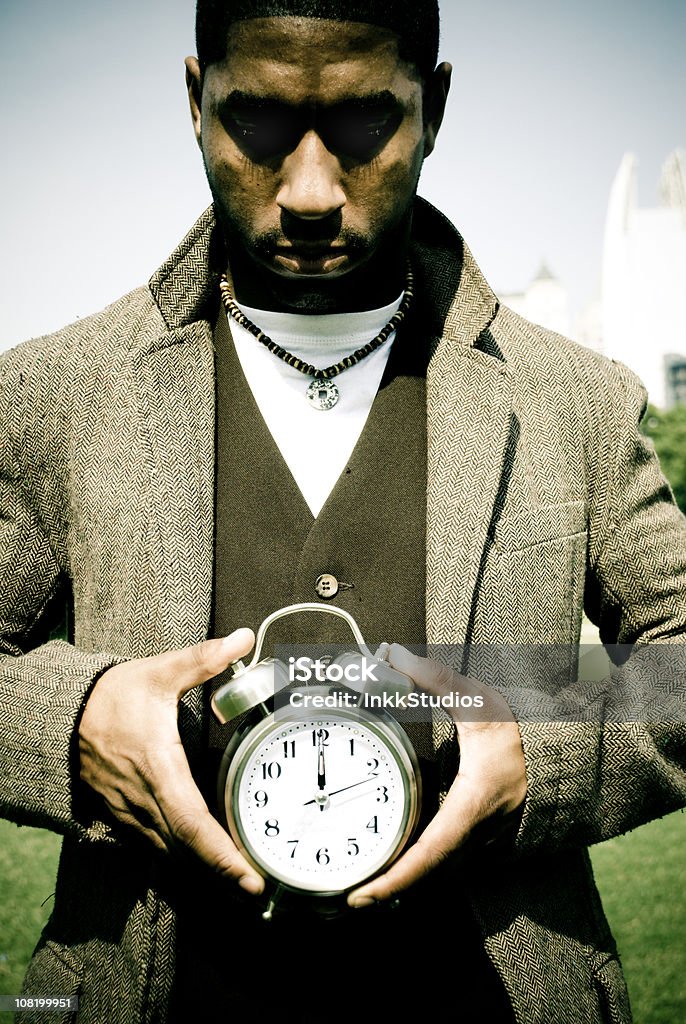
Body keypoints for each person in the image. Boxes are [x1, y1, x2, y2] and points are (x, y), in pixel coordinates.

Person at [1, 1, 685, 1022]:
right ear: (195, 102)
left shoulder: (574, 398)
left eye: (365, 124)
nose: (312, 190)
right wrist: (71, 721)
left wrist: (538, 737)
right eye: (261, 126)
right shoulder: (52, 392)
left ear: (435, 104)